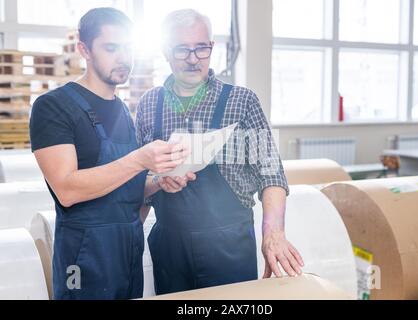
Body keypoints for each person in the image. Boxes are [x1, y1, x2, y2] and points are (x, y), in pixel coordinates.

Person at [136, 9, 304, 295]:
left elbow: (271, 173)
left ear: (211, 48)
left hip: (229, 245)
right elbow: (137, 177)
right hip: (169, 245)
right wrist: (157, 182)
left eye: (201, 48)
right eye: (182, 50)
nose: (193, 58)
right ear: (166, 52)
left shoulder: (242, 101)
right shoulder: (150, 104)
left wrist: (273, 233)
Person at [29, 7, 190, 300]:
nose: (123, 58)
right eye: (111, 48)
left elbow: (124, 188)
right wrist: (141, 158)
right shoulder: (52, 107)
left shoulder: (122, 112)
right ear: (84, 49)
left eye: (128, 48)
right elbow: (67, 189)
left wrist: (158, 182)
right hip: (84, 256)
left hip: (127, 251)